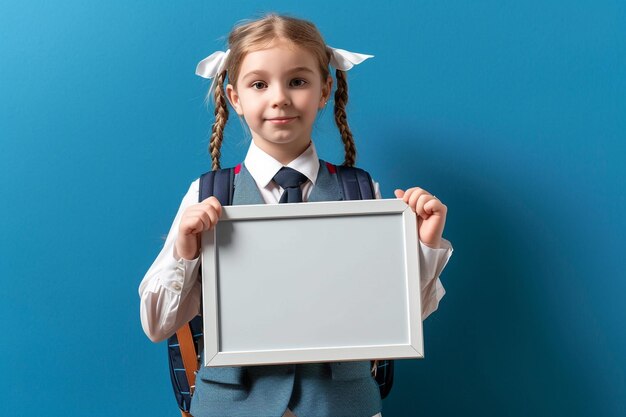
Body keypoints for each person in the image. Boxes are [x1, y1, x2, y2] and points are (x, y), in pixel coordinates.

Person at [139, 13, 452, 417]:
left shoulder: (360, 194)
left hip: (342, 406)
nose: (280, 97)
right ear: (235, 98)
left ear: (324, 91)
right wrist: (185, 252)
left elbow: (397, 320)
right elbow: (156, 324)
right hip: (230, 407)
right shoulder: (206, 195)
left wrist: (425, 246)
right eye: (259, 84)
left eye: (298, 82)